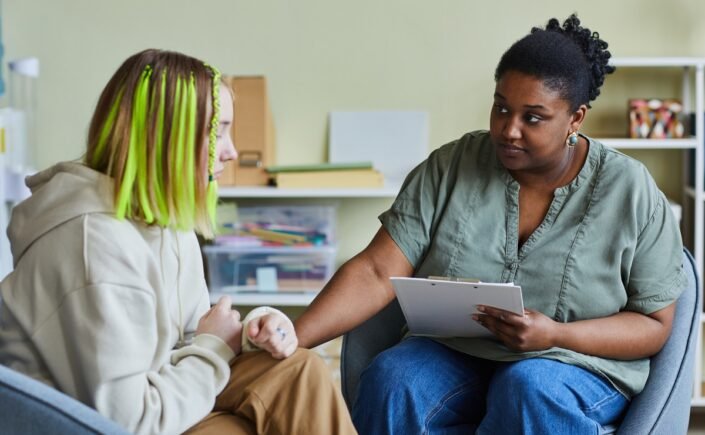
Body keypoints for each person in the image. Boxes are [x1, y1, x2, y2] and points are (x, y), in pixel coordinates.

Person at [294, 14, 686, 434]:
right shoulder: (450, 166)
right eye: (501, 107)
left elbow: (653, 325)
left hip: (574, 363)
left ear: (575, 119)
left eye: (532, 117)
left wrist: (555, 335)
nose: (508, 130)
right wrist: (288, 339)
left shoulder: (630, 190)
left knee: (528, 386)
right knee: (396, 380)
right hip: (454, 352)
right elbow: (376, 270)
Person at [0, 49, 356, 435]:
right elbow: (132, 422)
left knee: (300, 369)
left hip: (158, 400)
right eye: (217, 132)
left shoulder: (165, 223)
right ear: (167, 137)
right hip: (107, 425)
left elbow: (192, 336)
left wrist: (255, 333)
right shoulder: (93, 245)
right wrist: (214, 346)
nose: (232, 151)